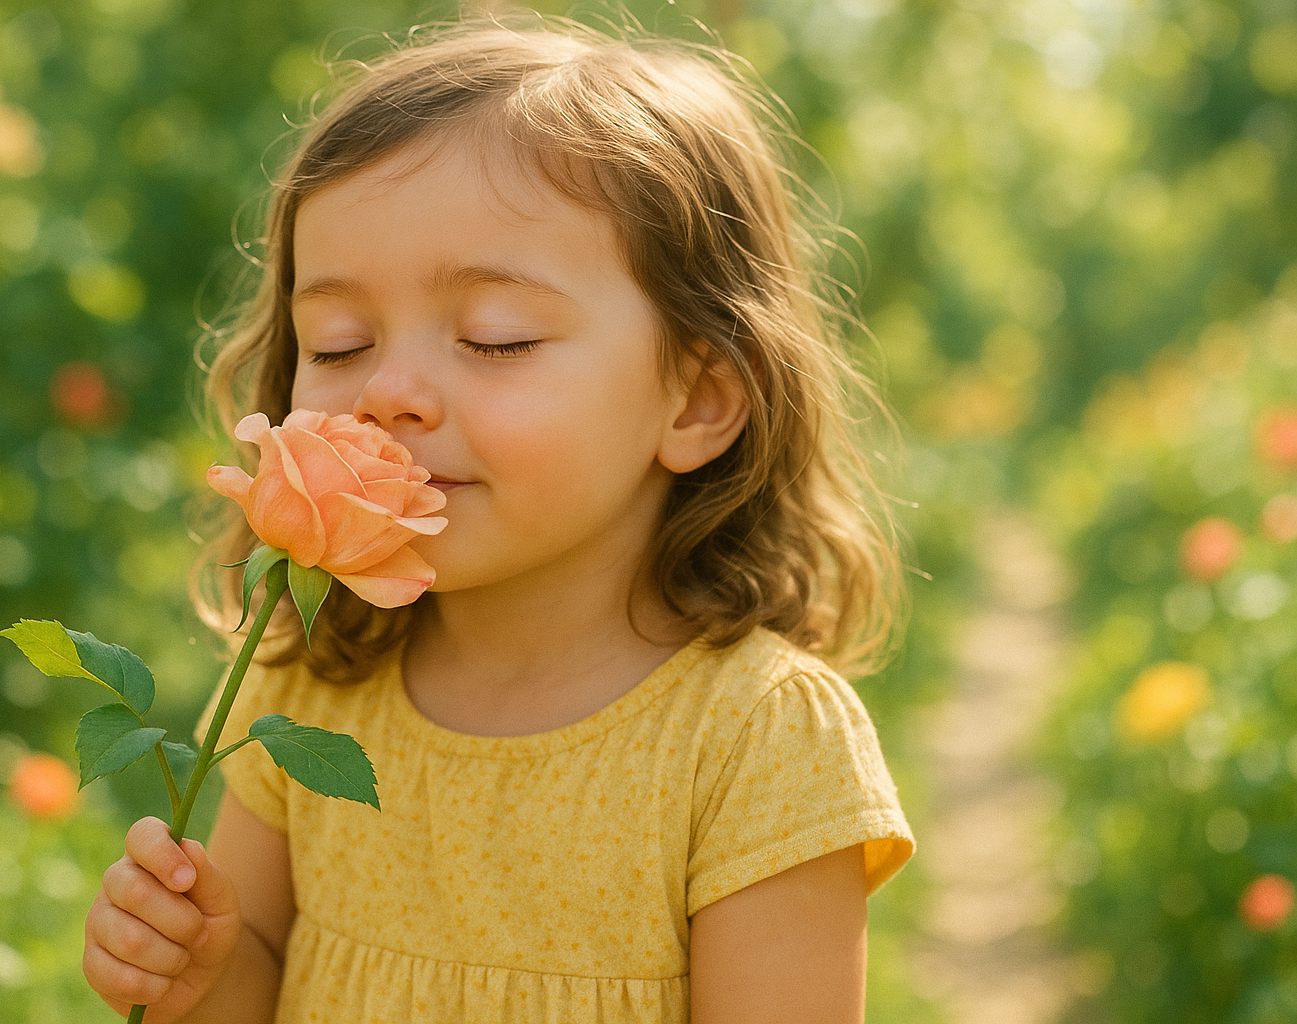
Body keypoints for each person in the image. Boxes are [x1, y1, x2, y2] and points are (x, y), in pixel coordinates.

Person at [82, 16, 915, 1024]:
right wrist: (197, 969)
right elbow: (257, 968)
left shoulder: (755, 739)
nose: (388, 391)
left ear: (695, 399)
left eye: (496, 337)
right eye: (340, 343)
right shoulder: (308, 682)